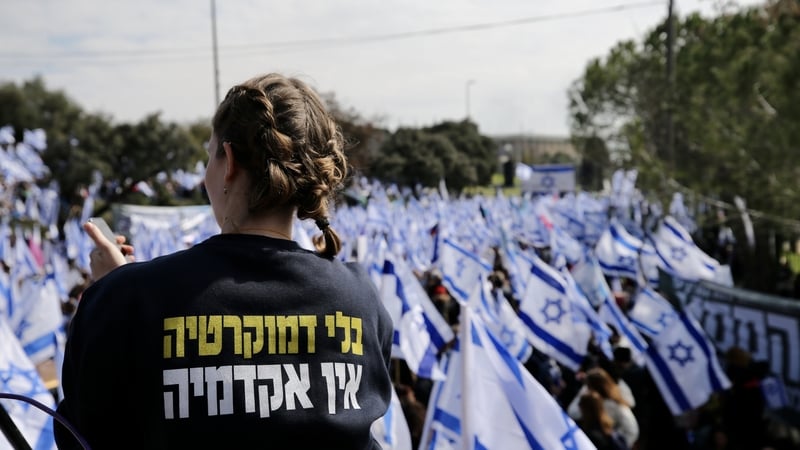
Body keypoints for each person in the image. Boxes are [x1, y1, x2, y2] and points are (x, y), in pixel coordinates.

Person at [54, 73, 394, 449]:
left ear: (228, 161)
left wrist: (113, 293)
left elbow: (81, 436)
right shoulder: (361, 300)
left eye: (208, 154)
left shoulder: (126, 298)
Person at [568, 367, 639, 449]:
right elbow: (572, 412)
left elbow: (631, 431)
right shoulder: (593, 399)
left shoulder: (614, 404)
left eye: (588, 386)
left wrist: (617, 443)